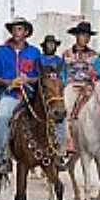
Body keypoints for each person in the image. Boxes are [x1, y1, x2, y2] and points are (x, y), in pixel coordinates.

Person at [0, 17, 41, 174]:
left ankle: (56, 152)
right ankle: (1, 158)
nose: (16, 32)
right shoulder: (0, 51)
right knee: (3, 116)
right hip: (9, 95)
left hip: (31, 95)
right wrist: (10, 82)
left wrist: (28, 79)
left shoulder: (34, 52)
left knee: (52, 113)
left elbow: (40, 76)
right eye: (14, 29)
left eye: (20, 29)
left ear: (26, 32)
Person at [62, 22, 100, 152]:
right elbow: (63, 73)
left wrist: (95, 76)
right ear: (76, 36)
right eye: (83, 35)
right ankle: (68, 140)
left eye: (88, 35)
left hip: (90, 86)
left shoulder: (93, 55)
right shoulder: (67, 54)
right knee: (66, 108)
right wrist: (66, 84)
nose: (86, 38)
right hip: (73, 86)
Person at [38, 35, 68, 168]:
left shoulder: (59, 61)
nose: (51, 46)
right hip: (42, 92)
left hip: (56, 93)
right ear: (44, 46)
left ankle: (60, 153)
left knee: (61, 122)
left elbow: (64, 77)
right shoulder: (39, 60)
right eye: (48, 44)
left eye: (53, 44)